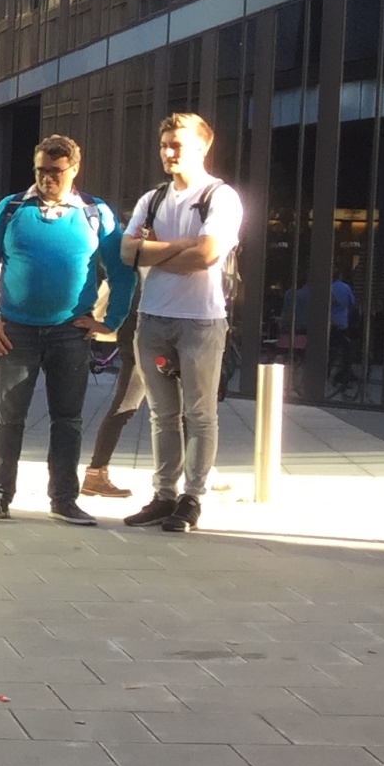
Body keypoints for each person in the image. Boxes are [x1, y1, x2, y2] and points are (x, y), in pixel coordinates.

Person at [0, 134, 121, 525]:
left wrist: (111, 321)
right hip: (14, 330)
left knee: (67, 419)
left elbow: (121, 271)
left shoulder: (95, 213)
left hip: (71, 332)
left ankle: (64, 499)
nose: (47, 178)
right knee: (7, 418)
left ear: (74, 169)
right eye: (40, 170)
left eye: (56, 171)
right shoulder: (11, 209)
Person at [118, 113, 244, 533]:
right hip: (153, 319)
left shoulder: (220, 197)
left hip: (201, 322)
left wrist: (154, 250)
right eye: (165, 145)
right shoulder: (152, 199)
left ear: (203, 148)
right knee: (162, 414)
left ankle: (192, 497)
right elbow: (126, 253)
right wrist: (183, 244)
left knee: (200, 413)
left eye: (178, 145)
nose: (169, 152)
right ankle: (163, 494)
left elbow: (206, 256)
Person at [80, 308, 146, 499]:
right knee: (124, 407)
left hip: (140, 337)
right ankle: (95, 473)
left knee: (125, 408)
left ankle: (96, 473)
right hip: (140, 339)